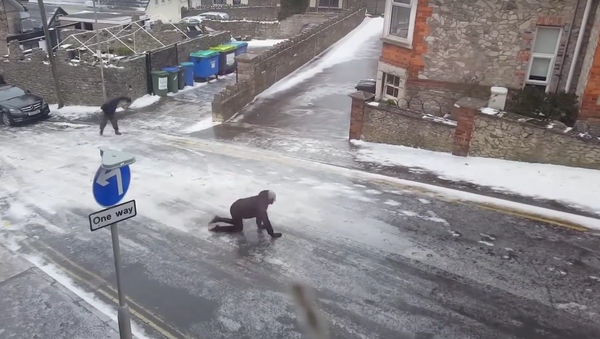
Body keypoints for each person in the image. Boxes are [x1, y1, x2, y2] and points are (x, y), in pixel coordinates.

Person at [209, 190, 282, 238]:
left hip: (237, 207)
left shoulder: (261, 201)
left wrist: (259, 225)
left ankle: (218, 218)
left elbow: (259, 215)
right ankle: (217, 229)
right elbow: (265, 220)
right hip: (236, 209)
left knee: (236, 222)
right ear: (269, 199)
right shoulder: (261, 205)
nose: (272, 203)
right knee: (238, 228)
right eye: (272, 200)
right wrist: (272, 234)